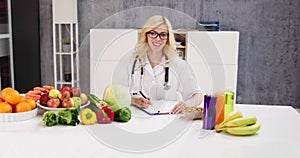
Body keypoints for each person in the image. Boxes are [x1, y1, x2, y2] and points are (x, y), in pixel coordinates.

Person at [128, 15, 202, 114]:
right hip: (138, 119)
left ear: (168, 38)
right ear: (146, 35)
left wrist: (187, 104)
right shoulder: (133, 62)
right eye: (153, 33)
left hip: (167, 119)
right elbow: (119, 95)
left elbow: (197, 96)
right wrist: (134, 101)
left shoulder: (178, 65)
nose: (158, 39)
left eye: (163, 34)